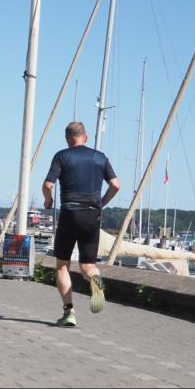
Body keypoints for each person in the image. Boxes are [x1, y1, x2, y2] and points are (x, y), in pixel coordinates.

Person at [42, 122, 120, 327]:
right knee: (88, 266)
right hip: (92, 214)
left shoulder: (62, 156)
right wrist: (101, 203)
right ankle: (96, 281)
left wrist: (48, 200)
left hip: (70, 212)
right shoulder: (100, 157)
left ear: (68, 139)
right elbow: (116, 185)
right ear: (85, 137)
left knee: (62, 265)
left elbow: (48, 184)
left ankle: (69, 313)